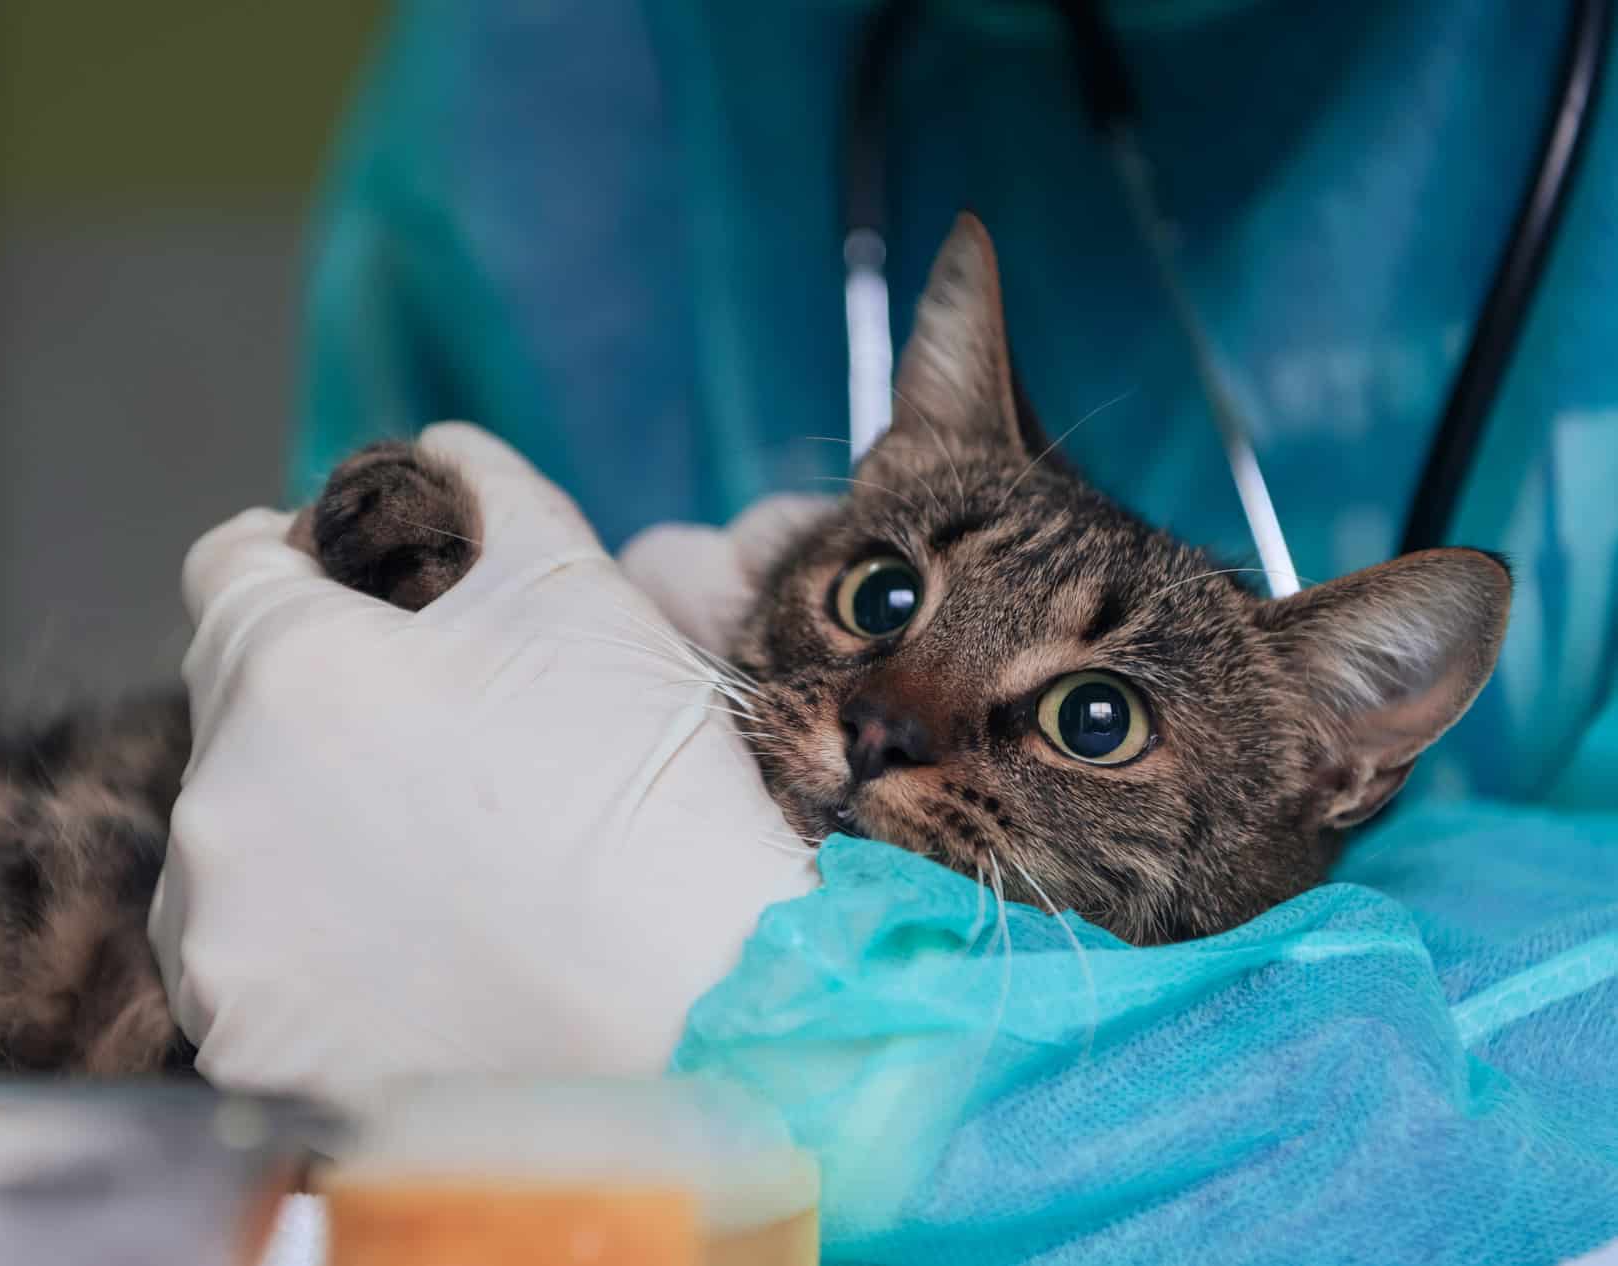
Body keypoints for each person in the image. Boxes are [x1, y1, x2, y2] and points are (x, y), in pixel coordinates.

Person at [135, 3, 1618, 1259]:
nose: (897, 711)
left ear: (1335, 769)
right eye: (889, 603)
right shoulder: (557, 69)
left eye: (1093, 716)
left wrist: (769, 1021)